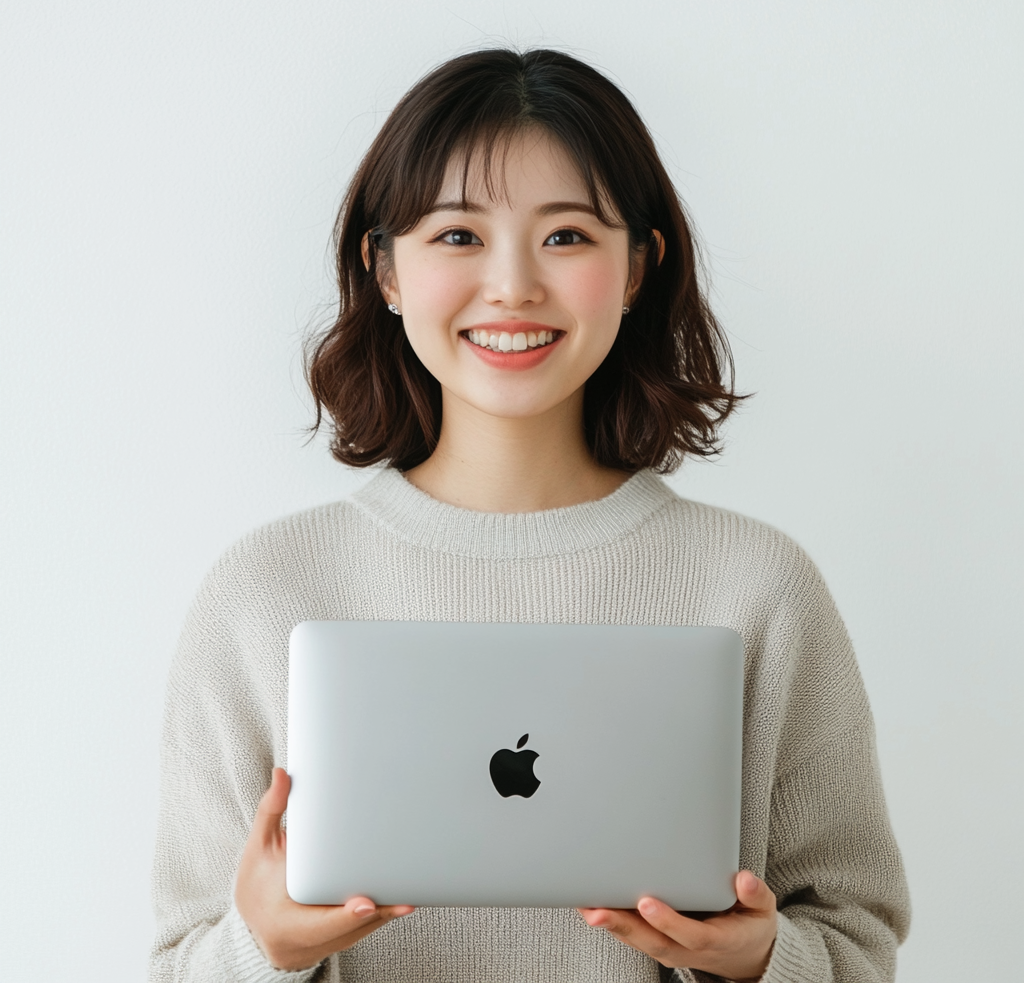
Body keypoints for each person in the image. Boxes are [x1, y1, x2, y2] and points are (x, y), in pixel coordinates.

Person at [151, 48, 910, 983]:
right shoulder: (263, 592)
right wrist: (261, 949)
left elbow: (858, 943)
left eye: (566, 237)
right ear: (384, 271)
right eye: (458, 236)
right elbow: (181, 958)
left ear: (639, 267)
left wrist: (763, 961)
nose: (512, 287)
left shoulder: (757, 586)